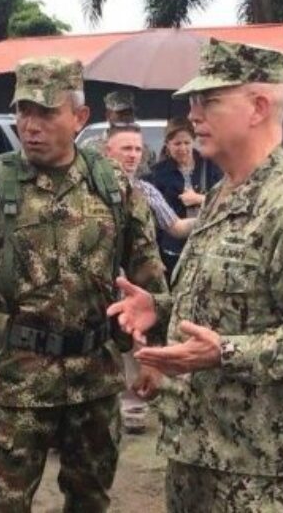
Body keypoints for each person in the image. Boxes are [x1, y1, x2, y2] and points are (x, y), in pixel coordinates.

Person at [106, 37, 283, 512]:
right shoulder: (225, 193)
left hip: (262, 474)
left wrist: (223, 353)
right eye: (191, 100)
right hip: (197, 455)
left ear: (258, 107)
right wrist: (159, 309)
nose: (193, 113)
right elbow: (230, 304)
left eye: (209, 100)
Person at [0, 56, 169, 512]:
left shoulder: (111, 184)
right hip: (17, 384)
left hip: (95, 381)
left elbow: (146, 271)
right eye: (23, 111)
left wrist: (151, 350)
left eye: (46, 112)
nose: (30, 125)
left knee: (91, 501)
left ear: (80, 117)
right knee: (3, 506)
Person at [103, 123, 194, 435]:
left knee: (135, 342)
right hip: (100, 281)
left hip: (136, 281)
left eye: (138, 149)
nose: (132, 155)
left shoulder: (146, 190)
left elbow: (176, 227)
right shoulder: (89, 189)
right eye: (125, 148)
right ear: (107, 151)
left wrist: (212, 211)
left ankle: (134, 408)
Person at [144, 117, 222, 279]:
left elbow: (228, 199)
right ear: (167, 145)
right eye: (177, 144)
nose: (183, 148)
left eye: (187, 143)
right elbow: (153, 219)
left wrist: (200, 199)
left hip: (207, 245)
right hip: (172, 251)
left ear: (194, 141)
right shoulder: (157, 174)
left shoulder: (212, 165)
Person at [79, 89, 157, 175]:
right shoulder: (90, 146)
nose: (126, 117)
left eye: (129, 113)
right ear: (108, 115)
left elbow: (150, 177)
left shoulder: (144, 150)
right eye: (121, 113)